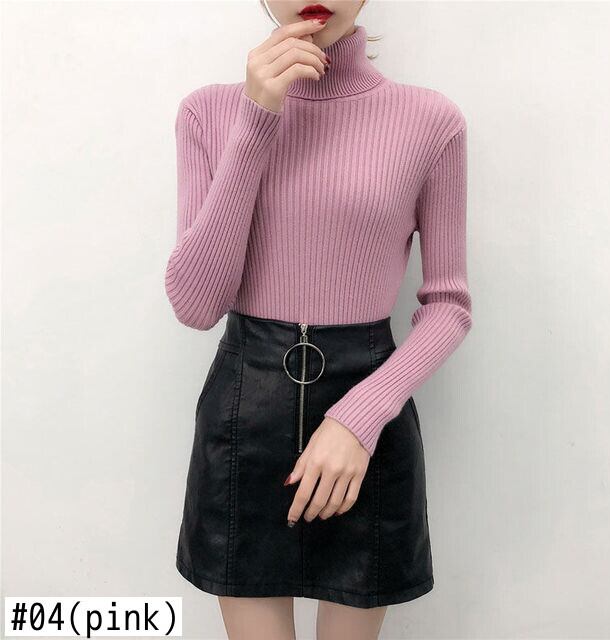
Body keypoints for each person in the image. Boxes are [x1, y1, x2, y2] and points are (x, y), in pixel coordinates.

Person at [164, 1, 472, 638]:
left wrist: (359, 418)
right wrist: (256, 120)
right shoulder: (207, 113)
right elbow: (195, 304)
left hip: (367, 414)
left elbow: (448, 304)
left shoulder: (430, 120)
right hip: (245, 412)